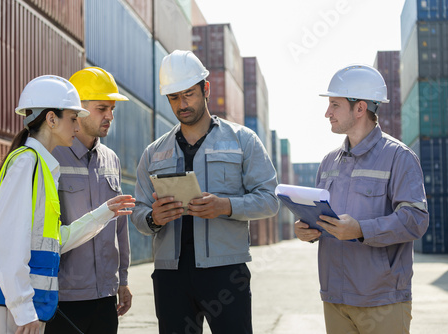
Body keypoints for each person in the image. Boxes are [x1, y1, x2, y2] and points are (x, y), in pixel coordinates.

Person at [0, 75, 135, 334]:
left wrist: (103, 213)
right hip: (10, 308)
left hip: (24, 306)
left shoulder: (41, 165)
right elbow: (9, 246)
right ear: (52, 119)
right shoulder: (25, 164)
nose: (76, 128)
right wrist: (23, 311)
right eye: (73, 119)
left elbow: (55, 240)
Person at [131, 50, 279, 334]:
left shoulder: (242, 140)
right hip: (170, 275)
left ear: (205, 89)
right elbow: (138, 211)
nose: (182, 104)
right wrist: (154, 218)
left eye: (188, 94)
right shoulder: (154, 151)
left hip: (225, 272)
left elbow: (270, 200)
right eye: (173, 97)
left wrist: (226, 206)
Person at [294, 64, 429, 334]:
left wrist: (361, 230)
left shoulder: (399, 157)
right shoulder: (329, 161)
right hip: (335, 298)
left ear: (359, 108)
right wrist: (308, 229)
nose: (327, 113)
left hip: (381, 299)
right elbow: (326, 216)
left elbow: (416, 220)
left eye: (334, 105)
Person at [45, 67, 131, 334]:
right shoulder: (53, 157)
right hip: (64, 298)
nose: (110, 116)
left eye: (112, 109)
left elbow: (120, 226)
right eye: (102, 108)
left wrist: (123, 280)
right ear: (77, 110)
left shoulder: (111, 159)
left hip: (105, 297)